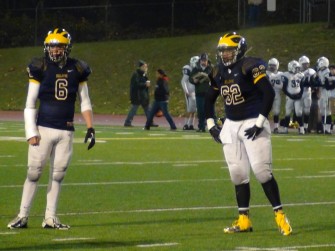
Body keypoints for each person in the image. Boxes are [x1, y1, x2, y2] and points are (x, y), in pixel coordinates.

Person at [205, 32, 292, 235]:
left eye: (228, 51)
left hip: (253, 120)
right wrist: (210, 125)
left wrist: (260, 122)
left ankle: (280, 216)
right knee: (237, 174)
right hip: (231, 125)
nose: (224, 55)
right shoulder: (219, 72)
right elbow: (209, 99)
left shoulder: (249, 65)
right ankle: (244, 220)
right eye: (222, 51)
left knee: (262, 171)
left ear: (239, 50)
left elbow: (268, 93)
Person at [7, 28, 95, 230]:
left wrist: (90, 127)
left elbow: (85, 102)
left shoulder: (78, 68)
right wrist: (31, 132)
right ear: (47, 47)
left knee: (58, 174)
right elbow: (30, 103)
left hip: (66, 130)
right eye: (52, 46)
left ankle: (50, 218)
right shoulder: (40, 66)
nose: (55, 51)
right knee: (34, 173)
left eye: (60, 46)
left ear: (67, 48)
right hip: (43, 128)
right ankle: (22, 216)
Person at [124, 60, 157, 127]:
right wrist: (145, 84)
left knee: (148, 109)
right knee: (134, 109)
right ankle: (127, 122)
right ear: (141, 67)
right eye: (145, 67)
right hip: (137, 95)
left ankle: (150, 121)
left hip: (143, 95)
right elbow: (136, 85)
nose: (146, 68)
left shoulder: (143, 75)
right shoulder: (136, 74)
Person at [190, 53, 213, 132]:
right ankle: (201, 127)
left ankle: (213, 126)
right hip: (199, 92)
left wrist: (206, 78)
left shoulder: (210, 68)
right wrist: (194, 80)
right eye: (202, 60)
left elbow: (213, 77)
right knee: (200, 111)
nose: (204, 62)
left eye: (205, 60)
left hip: (208, 92)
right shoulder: (196, 68)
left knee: (210, 110)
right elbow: (191, 78)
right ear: (200, 61)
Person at [281, 60, 305, 134]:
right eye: (296, 68)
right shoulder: (286, 75)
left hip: (298, 96)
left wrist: (300, 94)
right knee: (288, 113)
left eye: (298, 68)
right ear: (291, 68)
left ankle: (302, 129)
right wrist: (290, 95)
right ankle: (285, 129)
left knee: (298, 112)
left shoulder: (300, 75)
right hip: (289, 96)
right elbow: (284, 89)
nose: (298, 69)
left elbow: (302, 86)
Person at [181, 56, 199, 130]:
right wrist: (186, 91)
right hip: (189, 92)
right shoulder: (188, 68)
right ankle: (186, 124)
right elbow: (183, 81)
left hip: (195, 92)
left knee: (194, 109)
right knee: (189, 109)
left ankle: (191, 124)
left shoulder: (198, 69)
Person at [299, 55, 316, 133]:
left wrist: (313, 86)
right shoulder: (297, 71)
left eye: (307, 63)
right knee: (298, 111)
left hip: (307, 92)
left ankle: (305, 127)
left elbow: (315, 81)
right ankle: (301, 127)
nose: (306, 65)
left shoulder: (311, 71)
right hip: (299, 92)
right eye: (304, 64)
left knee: (307, 111)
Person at [266, 58, 283, 133]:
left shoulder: (281, 74)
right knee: (265, 111)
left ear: (277, 66)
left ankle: (276, 127)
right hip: (268, 94)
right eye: (270, 65)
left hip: (277, 94)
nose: (272, 67)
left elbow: (284, 85)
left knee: (276, 112)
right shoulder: (265, 73)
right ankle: (265, 127)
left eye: (274, 65)